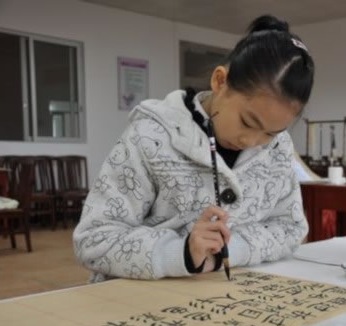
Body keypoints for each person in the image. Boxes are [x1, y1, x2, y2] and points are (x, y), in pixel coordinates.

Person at [73, 15, 315, 282]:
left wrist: (231, 249)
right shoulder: (150, 137)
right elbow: (94, 240)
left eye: (270, 133)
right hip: (142, 297)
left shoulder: (278, 147)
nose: (251, 140)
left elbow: (291, 228)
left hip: (230, 295)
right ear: (220, 81)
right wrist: (181, 253)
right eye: (247, 122)